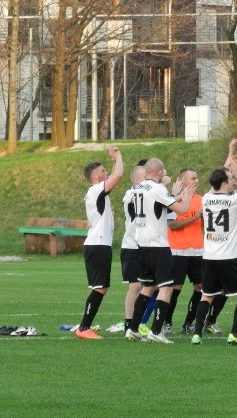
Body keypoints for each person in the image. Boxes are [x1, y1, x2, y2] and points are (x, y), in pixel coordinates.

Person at [124, 158, 196, 344]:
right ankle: (156, 331)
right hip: (158, 245)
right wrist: (187, 195)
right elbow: (181, 210)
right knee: (166, 288)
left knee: (147, 287)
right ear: (159, 172)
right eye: (163, 171)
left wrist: (175, 195)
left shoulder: (138, 189)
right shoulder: (157, 189)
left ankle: (132, 328)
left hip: (141, 245)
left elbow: (158, 204)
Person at [191, 153, 237, 346]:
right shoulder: (233, 200)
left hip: (209, 256)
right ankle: (235, 333)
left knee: (207, 295)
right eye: (229, 180)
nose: (233, 183)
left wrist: (229, 170)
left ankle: (197, 334)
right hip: (229, 257)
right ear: (223, 184)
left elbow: (218, 180)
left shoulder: (206, 199)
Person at [76, 145, 123, 340]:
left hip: (99, 244)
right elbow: (118, 175)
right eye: (103, 171)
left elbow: (113, 176)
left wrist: (112, 162)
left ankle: (85, 326)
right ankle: (84, 327)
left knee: (101, 287)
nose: (106, 174)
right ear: (96, 177)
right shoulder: (96, 190)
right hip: (97, 244)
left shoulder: (97, 191)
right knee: (100, 287)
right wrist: (118, 156)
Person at [166, 168, 204, 335]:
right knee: (175, 288)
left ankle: (188, 323)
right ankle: (167, 322)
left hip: (198, 251)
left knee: (201, 287)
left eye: (197, 178)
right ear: (182, 181)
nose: (196, 181)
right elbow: (172, 226)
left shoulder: (201, 200)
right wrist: (195, 217)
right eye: (192, 178)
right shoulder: (172, 201)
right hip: (177, 251)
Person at [116, 165, 146, 334]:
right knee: (135, 286)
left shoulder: (145, 192)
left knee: (149, 286)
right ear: (136, 180)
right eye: (144, 177)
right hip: (132, 246)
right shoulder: (131, 195)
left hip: (144, 246)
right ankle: (129, 322)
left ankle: (138, 322)